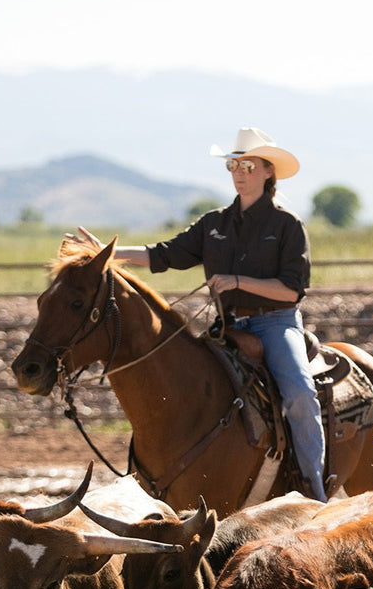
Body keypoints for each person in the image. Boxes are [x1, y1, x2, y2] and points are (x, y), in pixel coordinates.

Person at [67, 127, 327, 501]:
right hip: (227, 327)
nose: (239, 172)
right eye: (234, 165)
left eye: (248, 165)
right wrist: (108, 255)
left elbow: (291, 289)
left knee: (301, 394)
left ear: (268, 171)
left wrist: (239, 279)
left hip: (276, 324)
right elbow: (164, 254)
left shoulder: (287, 226)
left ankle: (313, 490)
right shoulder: (214, 224)